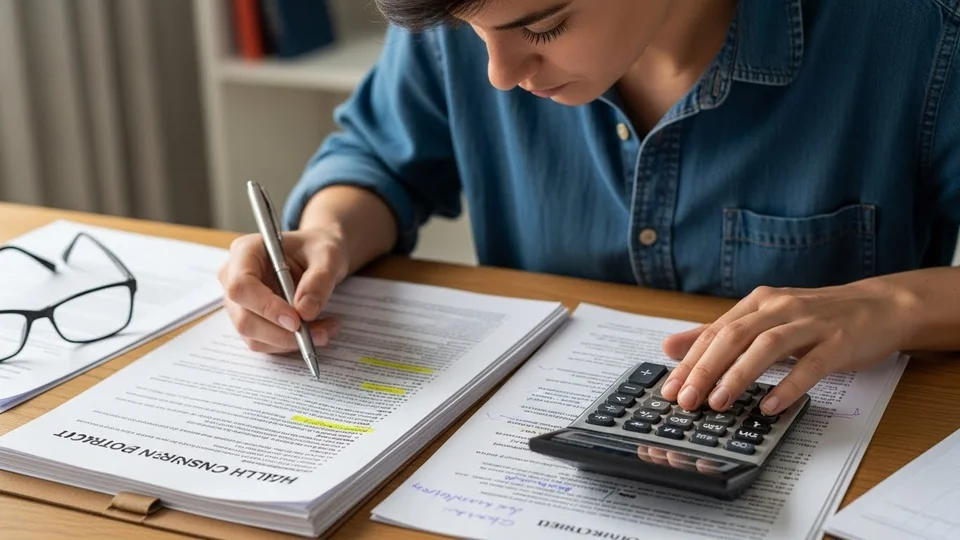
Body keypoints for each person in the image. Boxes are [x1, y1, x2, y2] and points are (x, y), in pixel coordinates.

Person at [218, 0, 960, 418]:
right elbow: (377, 161)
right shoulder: (472, 11)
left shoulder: (920, 30)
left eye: (542, 27)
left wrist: (892, 304)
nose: (499, 74)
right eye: (474, 35)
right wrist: (325, 234)